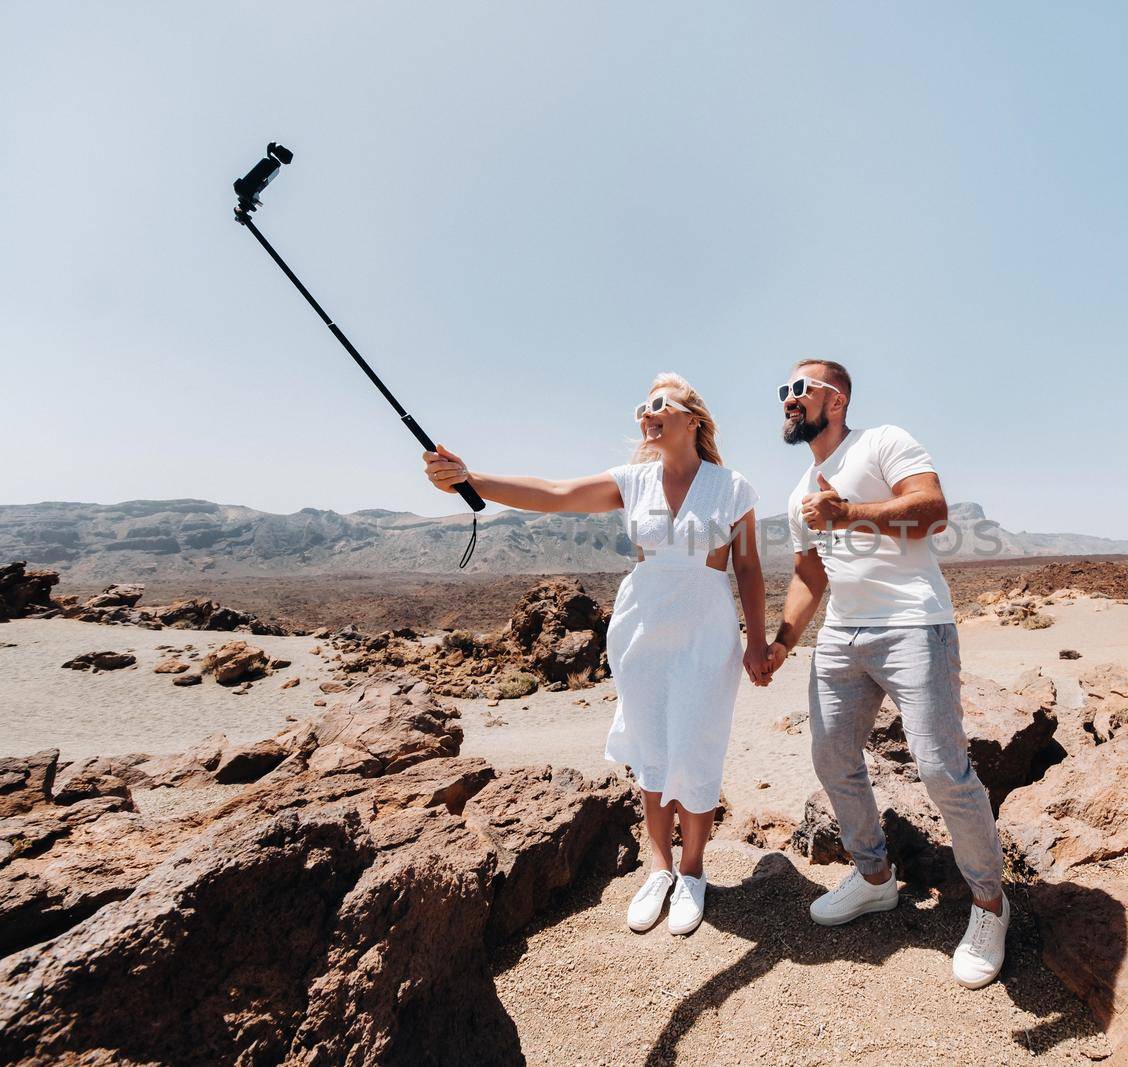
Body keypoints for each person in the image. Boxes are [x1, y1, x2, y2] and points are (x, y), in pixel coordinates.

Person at [422, 372, 769, 937]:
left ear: (693, 420)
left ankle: (694, 871)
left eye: (659, 404)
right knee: (653, 745)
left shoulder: (732, 488)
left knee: (697, 746)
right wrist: (471, 477)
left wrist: (757, 640)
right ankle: (657, 868)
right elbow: (555, 495)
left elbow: (749, 568)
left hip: (707, 630)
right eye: (641, 406)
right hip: (643, 629)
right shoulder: (632, 481)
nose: (646, 413)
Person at [762, 358, 1010, 989]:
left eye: (800, 389)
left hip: (913, 626)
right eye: (781, 391)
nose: (788, 400)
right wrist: (782, 644)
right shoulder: (798, 491)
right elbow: (810, 575)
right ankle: (874, 878)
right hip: (842, 636)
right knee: (831, 757)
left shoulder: (882, 442)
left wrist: (848, 514)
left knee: (940, 768)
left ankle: (989, 904)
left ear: (835, 399)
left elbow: (931, 510)